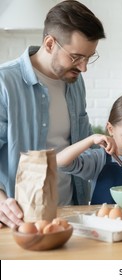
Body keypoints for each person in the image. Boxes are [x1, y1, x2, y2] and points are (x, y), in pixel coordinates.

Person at [0, 0, 105, 228]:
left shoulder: (76, 84)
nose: (84, 67)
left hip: (71, 217)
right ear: (49, 43)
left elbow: (83, 146)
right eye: (76, 57)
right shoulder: (4, 83)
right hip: (20, 221)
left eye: (89, 57)